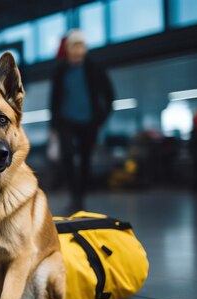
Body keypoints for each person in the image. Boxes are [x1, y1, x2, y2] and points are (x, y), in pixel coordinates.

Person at [50, 29, 114, 213]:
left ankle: (80, 198)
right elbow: (53, 100)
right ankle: (73, 196)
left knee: (85, 159)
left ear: (85, 49)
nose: (78, 50)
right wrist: (53, 126)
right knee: (67, 156)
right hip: (66, 121)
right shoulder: (60, 71)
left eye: (81, 46)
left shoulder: (95, 68)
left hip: (89, 122)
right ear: (68, 49)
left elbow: (109, 95)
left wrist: (101, 118)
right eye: (74, 46)